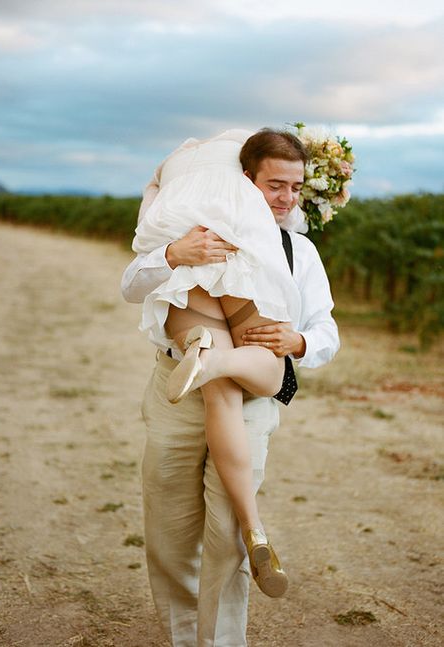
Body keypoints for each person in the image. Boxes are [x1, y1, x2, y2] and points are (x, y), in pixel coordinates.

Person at [121, 128, 340, 646]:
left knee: (226, 539)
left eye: (295, 188)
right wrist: (173, 254)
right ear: (246, 182)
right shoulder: (195, 234)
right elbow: (131, 286)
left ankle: (221, 641)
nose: (286, 198)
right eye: (274, 186)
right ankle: (183, 637)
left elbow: (328, 332)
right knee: (170, 534)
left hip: (251, 403)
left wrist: (300, 340)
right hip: (175, 396)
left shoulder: (298, 250)